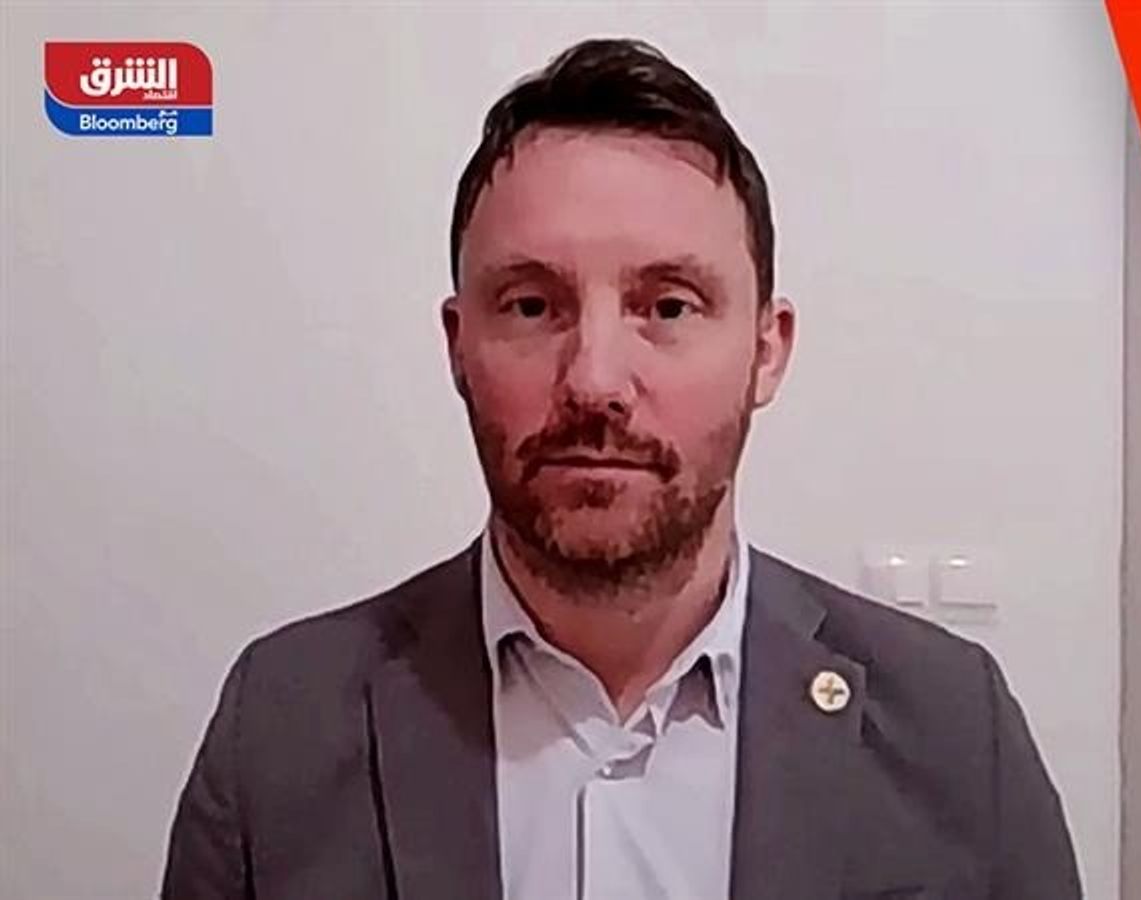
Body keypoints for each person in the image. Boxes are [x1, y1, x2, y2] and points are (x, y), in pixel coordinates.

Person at [162, 37, 1082, 900]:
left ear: (767, 351)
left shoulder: (957, 735)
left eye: (669, 307)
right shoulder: (281, 729)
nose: (595, 381)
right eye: (531, 306)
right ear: (457, 345)